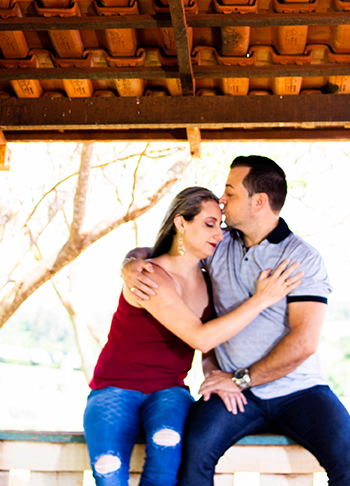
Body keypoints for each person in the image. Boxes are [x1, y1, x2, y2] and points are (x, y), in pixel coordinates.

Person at [123, 156, 350, 486]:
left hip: (299, 391)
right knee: (192, 458)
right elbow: (166, 252)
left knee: (349, 465)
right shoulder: (218, 245)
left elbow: (304, 343)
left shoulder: (301, 258)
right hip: (233, 395)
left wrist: (240, 380)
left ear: (259, 202)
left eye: (230, 192)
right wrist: (130, 263)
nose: (221, 200)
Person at [85, 185, 303, 486]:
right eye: (209, 224)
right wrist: (262, 299)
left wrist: (218, 378)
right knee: (108, 469)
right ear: (181, 223)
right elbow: (200, 338)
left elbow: (211, 344)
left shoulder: (208, 281)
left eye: (220, 226)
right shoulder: (148, 274)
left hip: (169, 391)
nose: (219, 234)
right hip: (114, 387)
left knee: (165, 457)